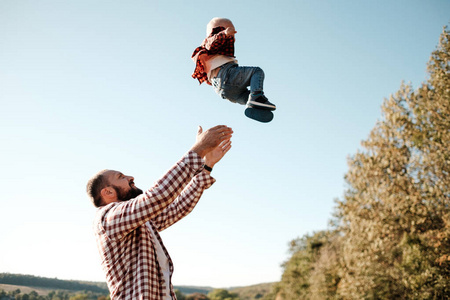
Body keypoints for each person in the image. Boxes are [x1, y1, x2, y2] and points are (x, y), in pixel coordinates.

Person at [86, 125, 233, 300]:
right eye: (121, 177)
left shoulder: (139, 222)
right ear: (108, 192)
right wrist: (199, 149)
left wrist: (207, 166)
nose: (130, 177)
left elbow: (178, 208)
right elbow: (157, 197)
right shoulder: (107, 218)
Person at [191, 17, 276, 111]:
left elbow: (209, 79)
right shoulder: (209, 41)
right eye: (230, 29)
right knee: (256, 71)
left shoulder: (210, 56)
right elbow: (213, 42)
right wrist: (225, 33)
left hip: (223, 90)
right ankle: (257, 97)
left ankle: (254, 106)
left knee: (247, 96)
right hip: (226, 75)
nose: (233, 34)